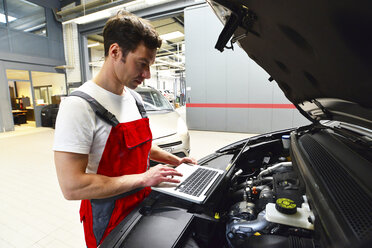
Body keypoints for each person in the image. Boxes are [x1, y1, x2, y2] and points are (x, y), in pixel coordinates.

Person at [53, 11, 197, 248]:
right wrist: (143, 178)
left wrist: (175, 160)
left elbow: (140, 145)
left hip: (143, 202)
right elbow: (72, 186)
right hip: (109, 214)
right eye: (141, 64)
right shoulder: (79, 106)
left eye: (150, 66)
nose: (147, 75)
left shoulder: (134, 98)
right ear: (115, 52)